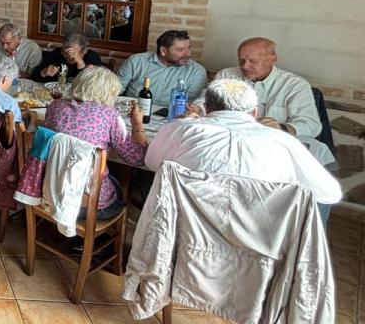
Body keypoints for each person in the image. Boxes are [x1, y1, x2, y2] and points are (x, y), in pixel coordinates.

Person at [147, 79, 342, 222]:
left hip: (188, 229)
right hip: (258, 242)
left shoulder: (179, 129)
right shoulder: (284, 143)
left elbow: (152, 163)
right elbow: (329, 193)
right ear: (255, 112)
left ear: (206, 107)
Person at [188, 37, 331, 167]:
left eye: (253, 61)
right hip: (229, 144)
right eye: (241, 60)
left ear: (272, 60)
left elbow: (311, 125)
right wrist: (198, 109)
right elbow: (205, 100)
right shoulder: (227, 75)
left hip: (272, 151)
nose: (244, 66)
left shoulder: (295, 85)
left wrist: (283, 127)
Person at [43, 66, 148, 219]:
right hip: (87, 202)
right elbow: (136, 158)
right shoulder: (110, 114)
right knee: (117, 184)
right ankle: (97, 236)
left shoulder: (55, 106)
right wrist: (137, 124)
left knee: (106, 177)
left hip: (51, 190)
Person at [116, 29, 208, 105]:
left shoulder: (196, 71)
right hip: (132, 112)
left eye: (189, 48)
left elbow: (193, 105)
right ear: (163, 51)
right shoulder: (136, 61)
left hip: (172, 120)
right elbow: (114, 89)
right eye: (180, 50)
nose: (188, 54)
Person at [31, 32, 103, 83]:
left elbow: (95, 85)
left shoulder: (92, 57)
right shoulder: (57, 53)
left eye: (73, 52)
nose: (68, 56)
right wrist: (43, 72)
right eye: (65, 52)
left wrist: (80, 63)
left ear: (83, 51)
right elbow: (33, 76)